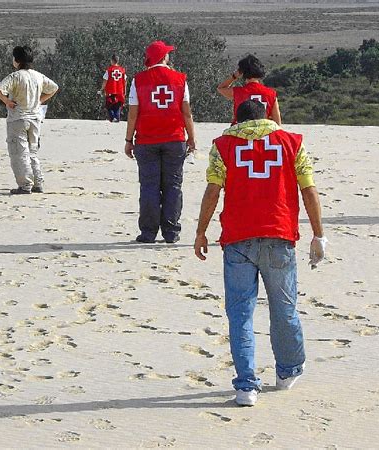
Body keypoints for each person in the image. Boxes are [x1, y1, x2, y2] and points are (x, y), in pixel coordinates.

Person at [194, 100, 327, 407]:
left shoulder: (223, 145)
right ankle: (288, 370)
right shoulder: (292, 143)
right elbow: (309, 190)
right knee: (284, 307)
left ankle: (245, 386)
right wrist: (319, 235)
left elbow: (212, 191)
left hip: (237, 239)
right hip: (279, 236)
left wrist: (201, 231)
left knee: (240, 313)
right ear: (266, 116)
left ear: (237, 119)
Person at [124, 40, 196, 244]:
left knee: (149, 186)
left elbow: (132, 114)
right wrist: (191, 137)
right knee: (173, 186)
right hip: (174, 139)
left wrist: (129, 140)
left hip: (146, 141)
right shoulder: (180, 79)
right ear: (164, 57)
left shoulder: (138, 80)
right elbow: (186, 112)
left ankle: (148, 232)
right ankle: (171, 232)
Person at [0, 46, 58, 194]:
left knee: (19, 152)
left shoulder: (15, 76)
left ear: (17, 60)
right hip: (35, 118)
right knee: (33, 151)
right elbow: (54, 87)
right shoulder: (38, 75)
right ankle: (38, 182)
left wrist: (7, 101)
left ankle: (25, 185)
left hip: (18, 118)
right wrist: (40, 100)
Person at [217, 54, 281, 125]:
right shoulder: (271, 93)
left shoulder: (238, 92)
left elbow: (221, 88)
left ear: (242, 72)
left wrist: (234, 76)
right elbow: (277, 123)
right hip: (262, 133)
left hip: (240, 132)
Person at [98, 54, 127, 122]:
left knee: (109, 105)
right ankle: (117, 118)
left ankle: (113, 118)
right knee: (118, 105)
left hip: (111, 90)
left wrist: (102, 89)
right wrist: (124, 90)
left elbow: (105, 80)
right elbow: (125, 81)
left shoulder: (109, 70)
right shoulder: (122, 70)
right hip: (120, 91)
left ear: (112, 61)